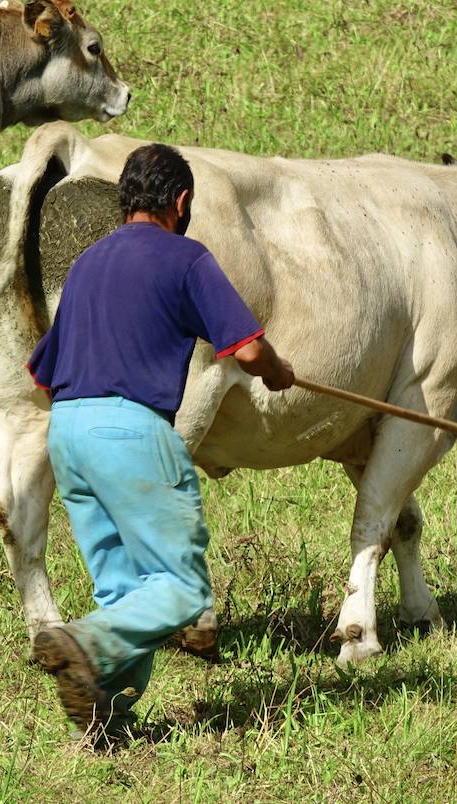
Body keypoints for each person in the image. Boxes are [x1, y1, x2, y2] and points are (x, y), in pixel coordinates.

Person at [26, 143, 295, 742]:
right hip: (132, 428)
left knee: (126, 592)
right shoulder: (186, 259)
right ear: (182, 202)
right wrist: (277, 370)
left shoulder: (86, 264)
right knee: (180, 591)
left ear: (124, 201)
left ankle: (102, 721)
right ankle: (84, 641)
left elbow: (40, 375)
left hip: (68, 431)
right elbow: (246, 348)